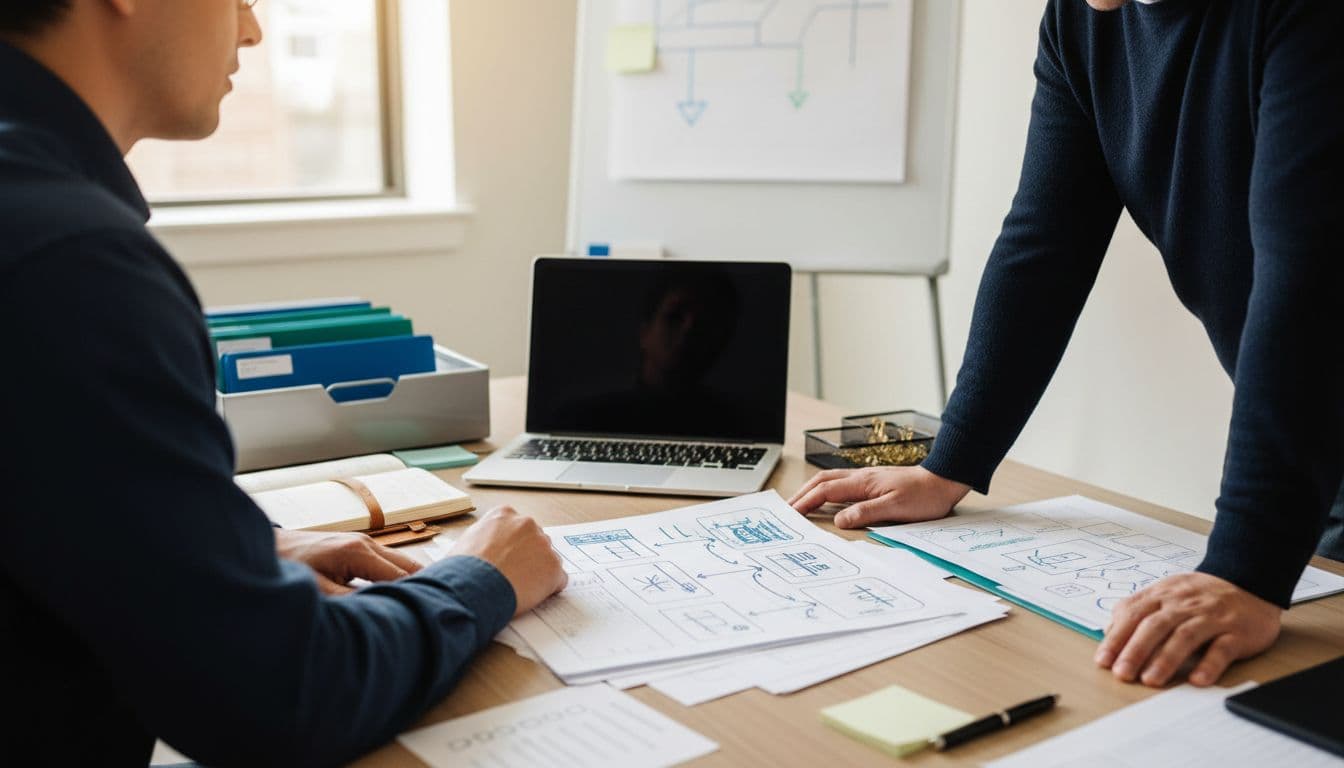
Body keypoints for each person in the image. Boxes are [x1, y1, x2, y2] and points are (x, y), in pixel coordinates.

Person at [0, 1, 566, 765]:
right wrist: (480, 578)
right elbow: (286, 697)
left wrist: (228, 552)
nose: (251, 30)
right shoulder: (71, 261)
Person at [791, 0, 1342, 690]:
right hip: (1318, 448)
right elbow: (1042, 249)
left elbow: (1309, 292)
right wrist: (949, 464)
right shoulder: (1083, 22)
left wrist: (1245, 568)